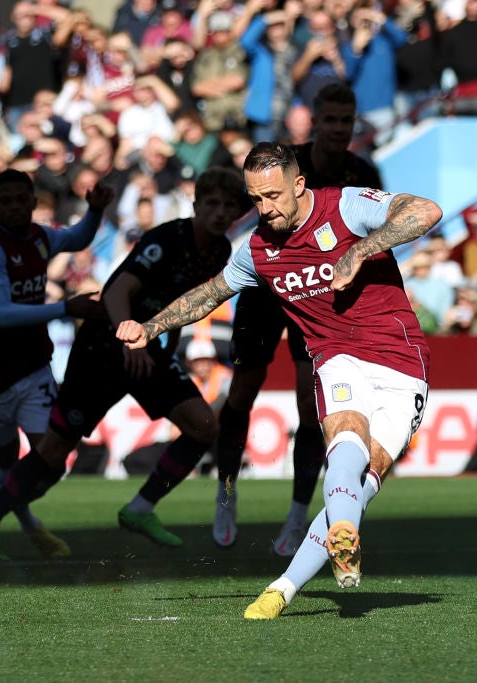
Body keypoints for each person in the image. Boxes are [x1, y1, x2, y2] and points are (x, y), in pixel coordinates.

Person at [115, 141, 442, 619]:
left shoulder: (345, 206)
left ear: (299, 184)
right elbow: (209, 294)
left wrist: (361, 251)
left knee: (364, 479)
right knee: (343, 436)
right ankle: (333, 553)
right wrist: (150, 327)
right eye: (256, 199)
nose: (265, 209)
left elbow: (426, 210)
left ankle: (287, 584)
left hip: (402, 361)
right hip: (336, 358)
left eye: (273, 196)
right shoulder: (259, 249)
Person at [0, 167, 251, 560]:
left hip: (147, 350)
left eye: (229, 206)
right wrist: (130, 339)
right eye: (212, 203)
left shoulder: (219, 252)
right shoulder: (166, 239)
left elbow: (184, 303)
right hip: (103, 348)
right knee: (53, 453)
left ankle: (140, 508)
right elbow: (117, 292)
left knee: (203, 427)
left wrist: (158, 344)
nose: (220, 212)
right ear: (196, 205)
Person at [212, 83, 383, 557]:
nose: (337, 129)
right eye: (329, 120)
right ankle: (225, 495)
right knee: (242, 392)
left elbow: (379, 234)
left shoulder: (363, 172)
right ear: (316, 122)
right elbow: (251, 208)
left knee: (312, 409)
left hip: (321, 298)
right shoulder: (286, 163)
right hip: (270, 291)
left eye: (345, 121)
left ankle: (295, 516)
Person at [0, 169, 114, 558]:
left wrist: (94, 212)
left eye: (20, 199)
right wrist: (66, 307)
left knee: (53, 458)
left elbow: (77, 238)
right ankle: (28, 526)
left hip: (33, 369)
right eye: (5, 200)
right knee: (7, 459)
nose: (13, 206)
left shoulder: (41, 237)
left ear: (33, 203)